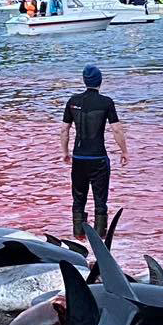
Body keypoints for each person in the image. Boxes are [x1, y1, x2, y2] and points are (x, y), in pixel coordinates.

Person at [62, 64, 126, 239]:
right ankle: (100, 238)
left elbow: (64, 130)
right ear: (100, 81)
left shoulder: (73, 101)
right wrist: (124, 151)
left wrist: (65, 152)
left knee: (78, 198)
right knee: (100, 199)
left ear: (84, 80)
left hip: (79, 157)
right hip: (98, 158)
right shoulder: (106, 102)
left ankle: (78, 235)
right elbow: (117, 129)